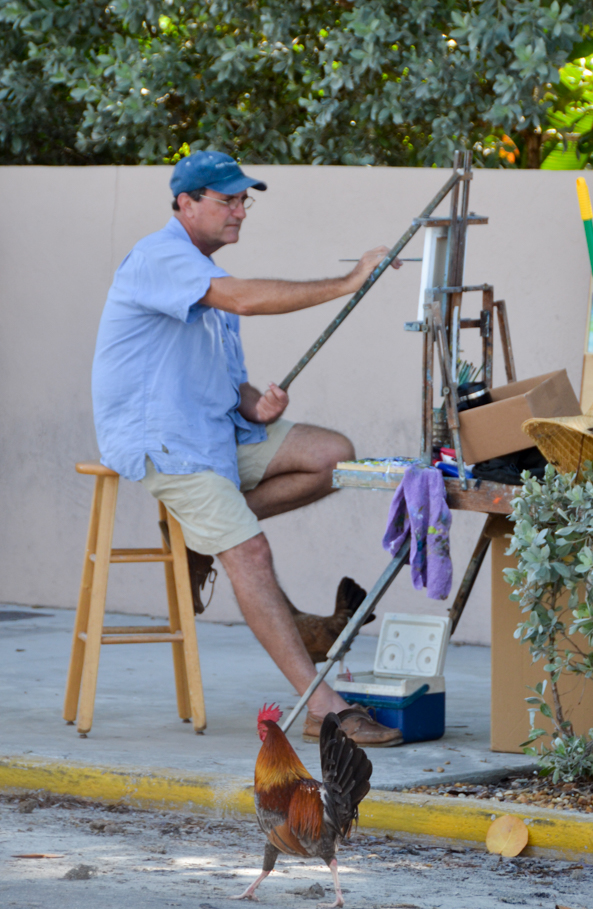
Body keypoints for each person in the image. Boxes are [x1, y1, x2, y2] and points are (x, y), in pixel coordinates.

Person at [92, 150, 403, 747]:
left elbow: (222, 373)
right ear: (185, 203)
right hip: (168, 444)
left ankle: (203, 535)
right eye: (227, 200)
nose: (239, 212)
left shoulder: (203, 272)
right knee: (251, 554)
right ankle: (322, 708)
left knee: (334, 454)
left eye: (244, 200)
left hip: (215, 434)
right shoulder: (162, 257)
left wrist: (254, 406)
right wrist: (346, 283)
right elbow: (242, 300)